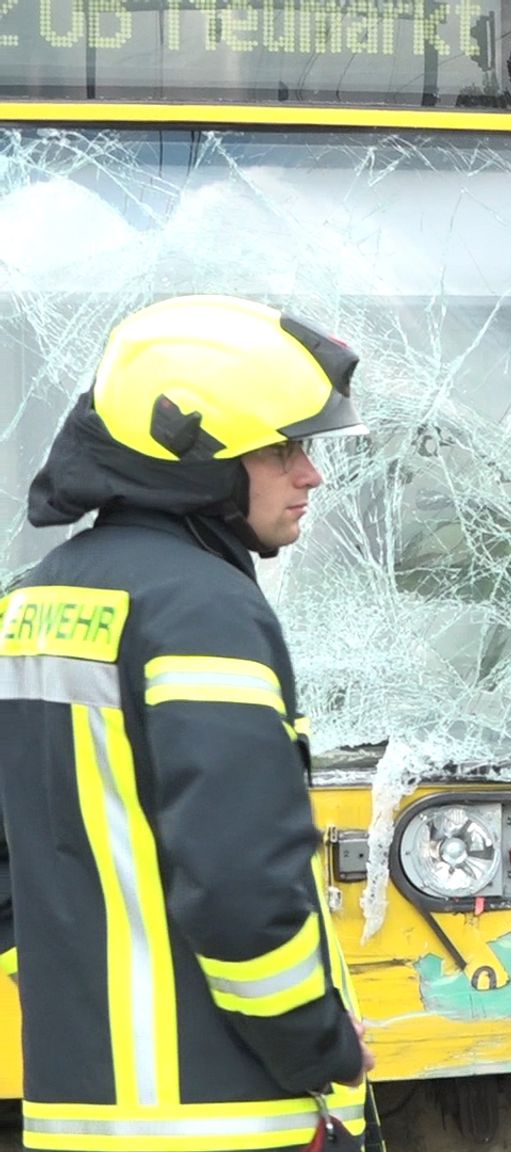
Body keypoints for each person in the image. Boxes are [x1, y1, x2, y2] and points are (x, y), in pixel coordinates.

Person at [0, 296, 377, 1150]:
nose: (309, 475)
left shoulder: (29, 604)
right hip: (228, 1118)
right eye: (283, 448)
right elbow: (243, 887)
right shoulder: (204, 610)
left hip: (78, 1116)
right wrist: (321, 1045)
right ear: (198, 453)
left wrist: (71, 978)